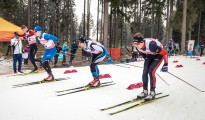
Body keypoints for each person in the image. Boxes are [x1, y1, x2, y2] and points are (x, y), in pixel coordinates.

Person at [132, 32, 168, 101]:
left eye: (137, 44)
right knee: (145, 71)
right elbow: (142, 52)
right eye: (135, 44)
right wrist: (146, 59)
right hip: (150, 54)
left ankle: (152, 92)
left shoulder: (151, 45)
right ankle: (145, 91)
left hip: (158, 54)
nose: (136, 46)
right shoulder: (137, 46)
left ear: (142, 42)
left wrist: (166, 64)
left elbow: (165, 52)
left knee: (151, 71)